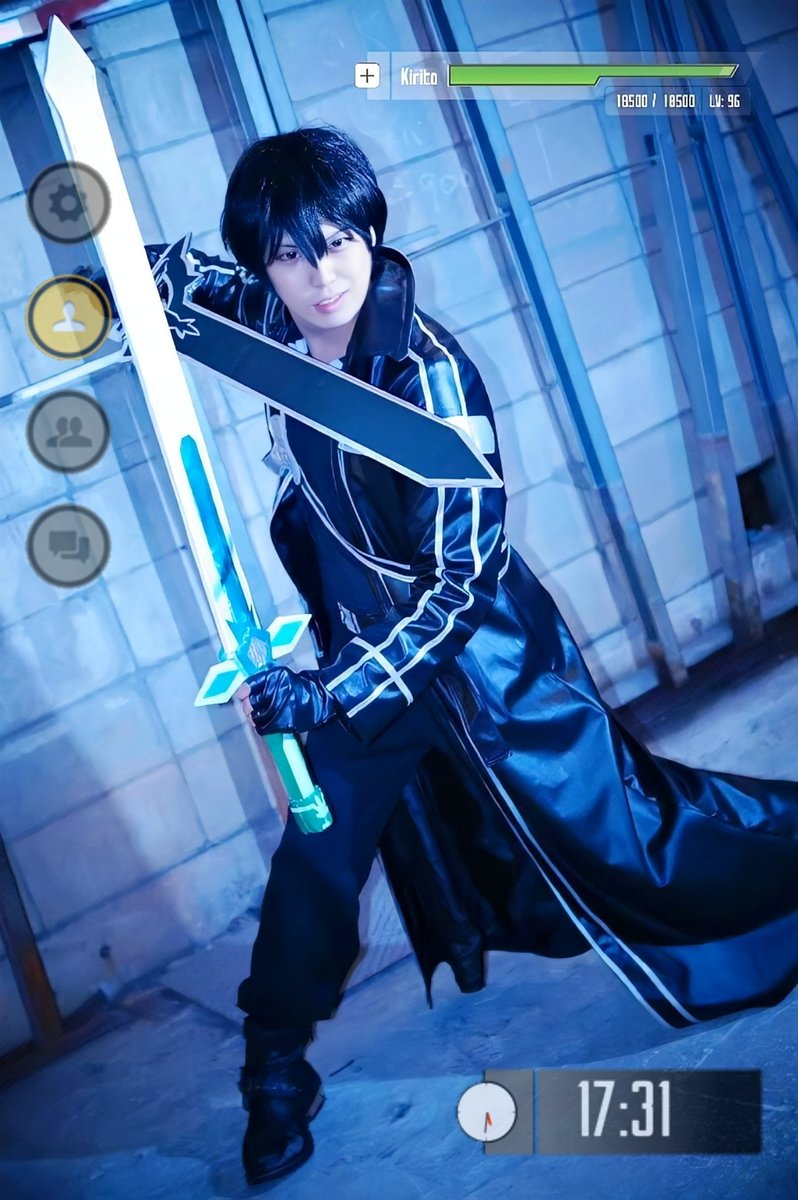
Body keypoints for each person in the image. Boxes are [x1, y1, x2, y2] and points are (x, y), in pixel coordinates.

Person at [132, 126, 797, 1187]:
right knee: (314, 866)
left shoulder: (429, 377)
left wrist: (331, 691)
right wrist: (116, 278)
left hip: (486, 669)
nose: (322, 276)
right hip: (364, 670)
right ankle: (274, 1070)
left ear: (369, 232)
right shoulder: (279, 321)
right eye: (290, 255)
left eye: (338, 241)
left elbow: (459, 584)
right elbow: (180, 284)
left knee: (634, 840)